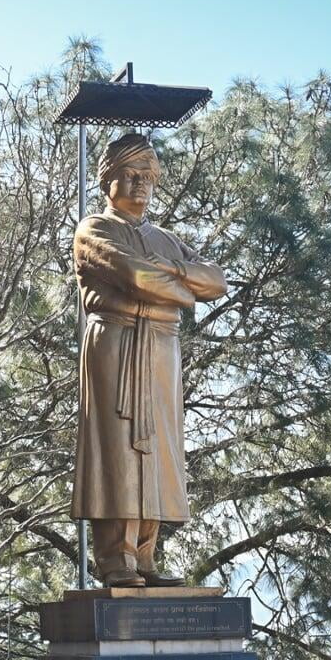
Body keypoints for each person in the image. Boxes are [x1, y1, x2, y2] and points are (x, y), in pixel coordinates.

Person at [72, 132, 227, 587]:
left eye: (148, 178)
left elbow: (216, 281)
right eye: (131, 175)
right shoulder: (94, 230)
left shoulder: (165, 238)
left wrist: (176, 275)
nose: (141, 185)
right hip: (117, 341)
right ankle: (114, 559)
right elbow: (136, 276)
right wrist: (182, 292)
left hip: (162, 346)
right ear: (109, 180)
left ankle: (145, 558)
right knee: (118, 445)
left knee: (158, 448)